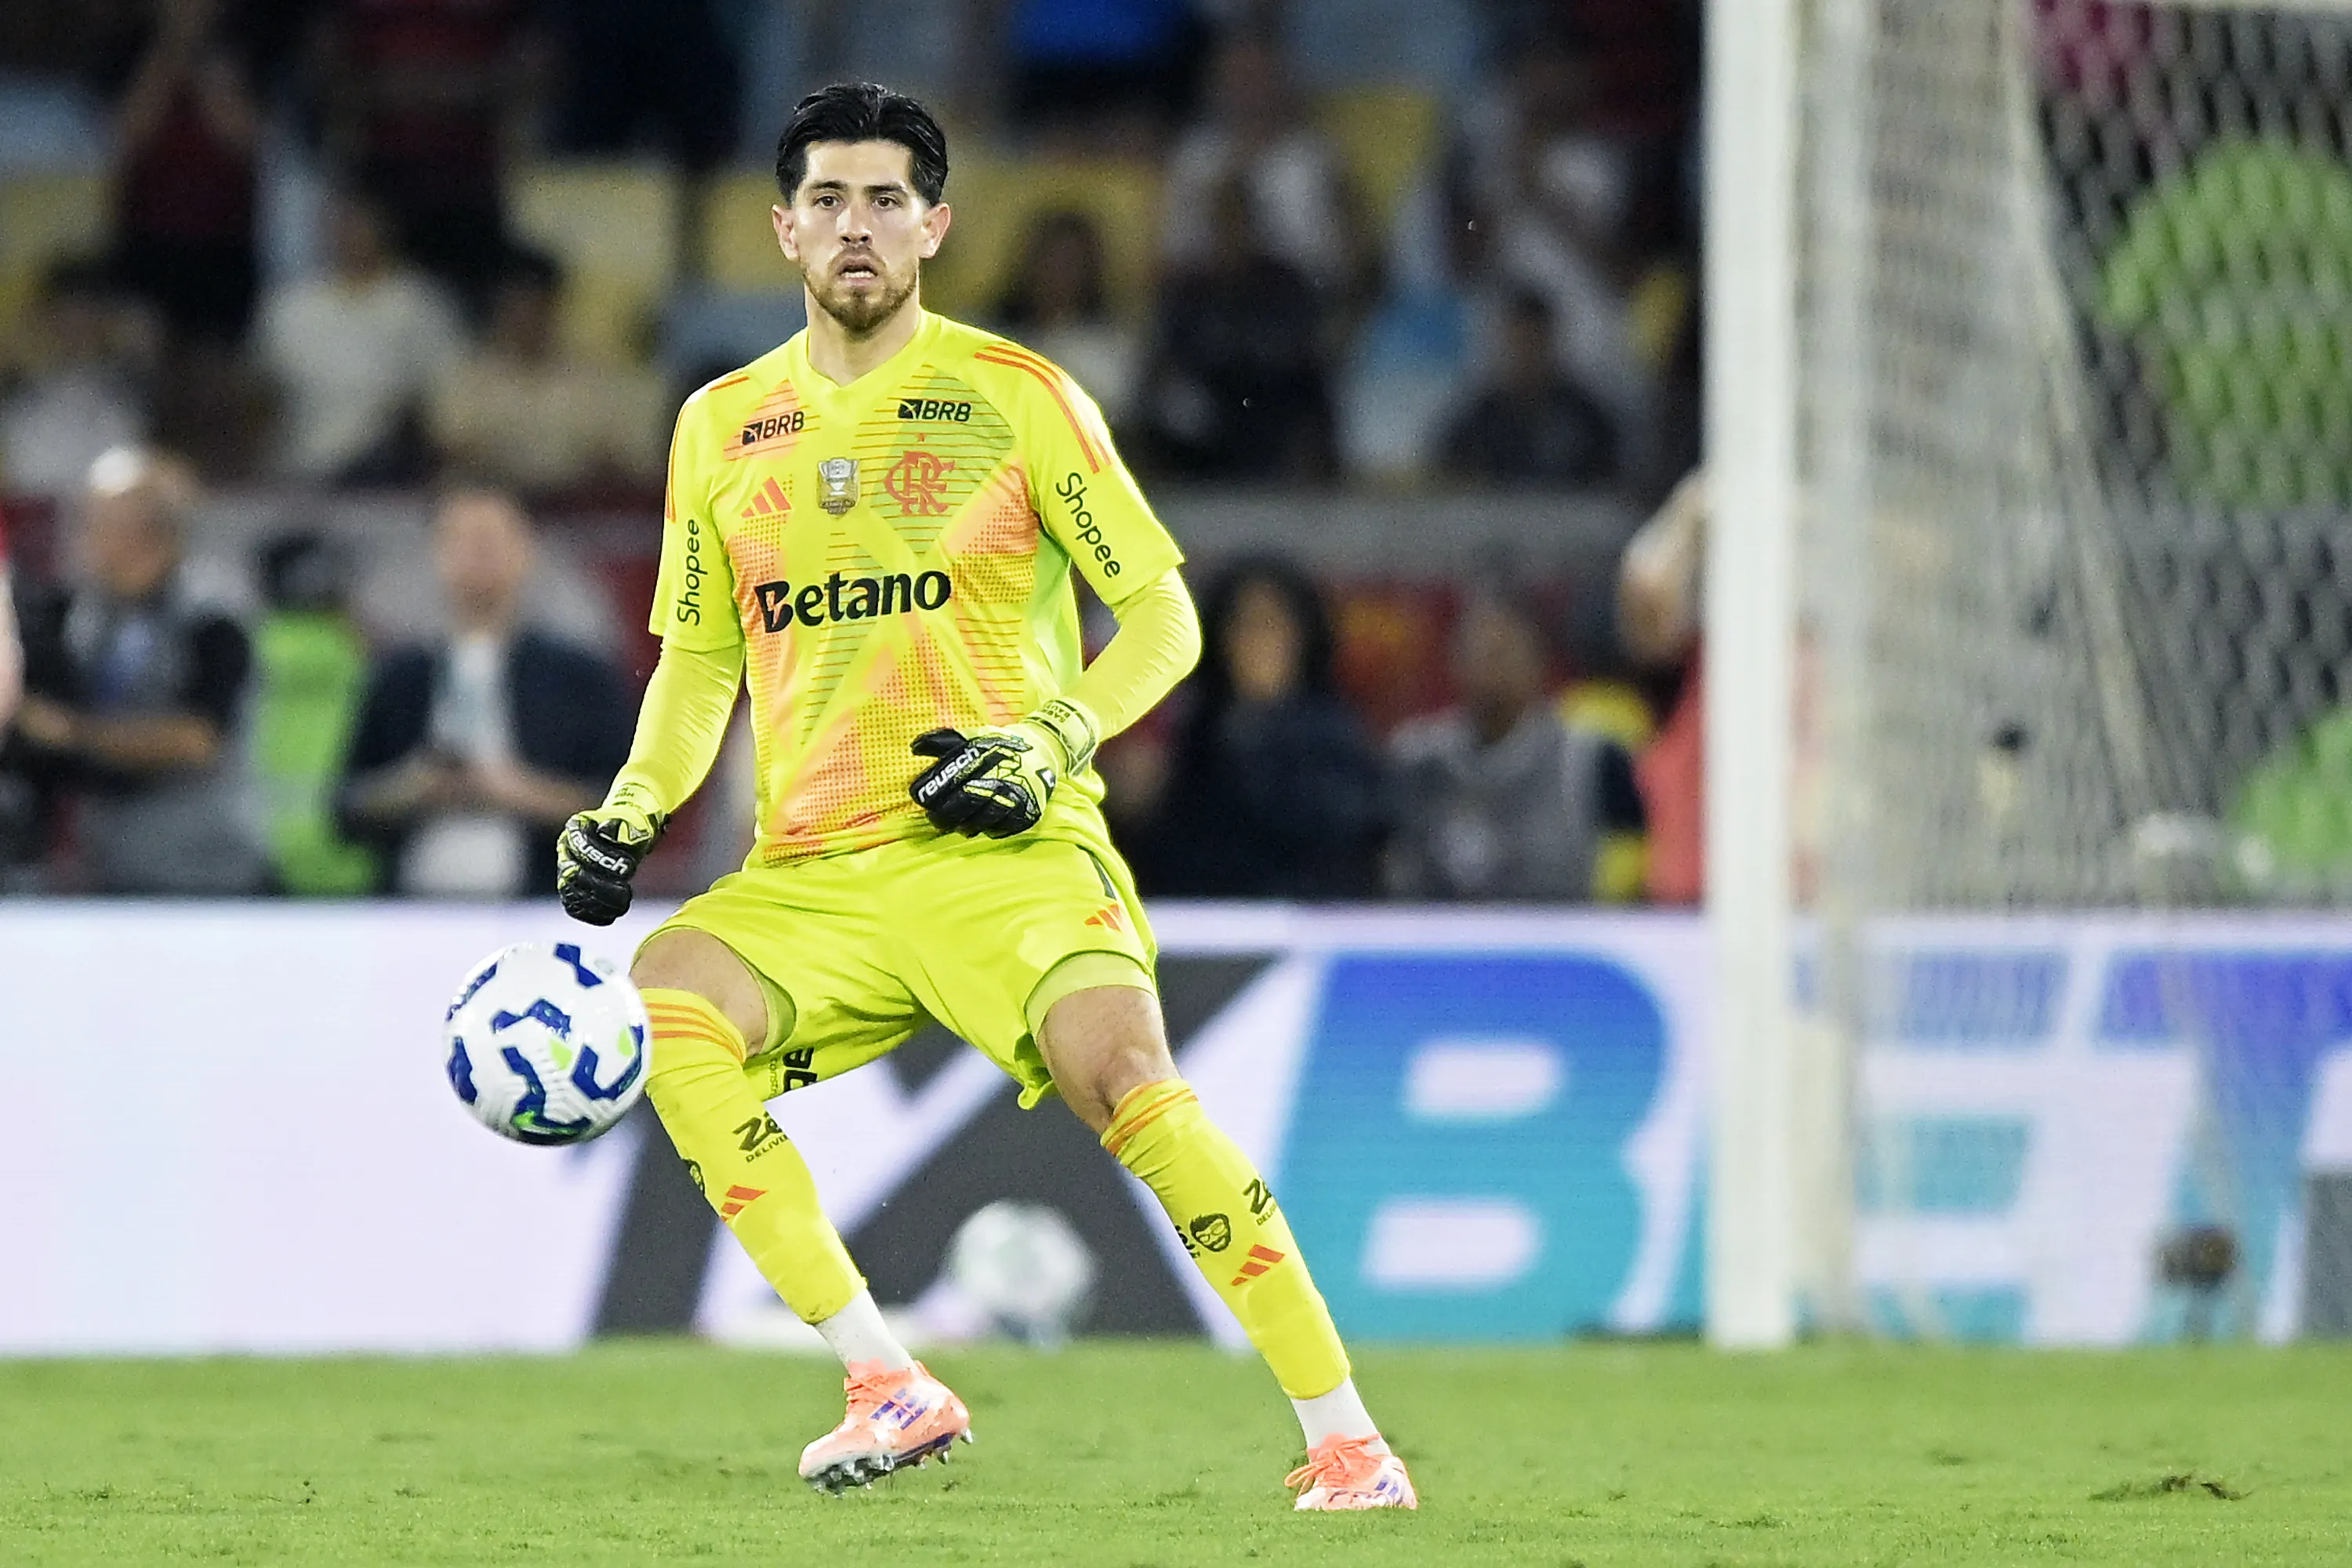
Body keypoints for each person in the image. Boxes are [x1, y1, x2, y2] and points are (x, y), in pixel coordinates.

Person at [554, 84, 1415, 1512]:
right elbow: (700, 658)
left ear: (938, 227)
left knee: (1131, 1083)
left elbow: (1163, 620)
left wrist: (1048, 739)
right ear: (781, 229)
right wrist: (631, 810)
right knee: (667, 1003)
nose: (856, 227)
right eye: (827, 200)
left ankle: (1347, 1441)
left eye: (887, 200)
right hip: (812, 874)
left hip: (998, 851)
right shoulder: (719, 426)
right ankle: (886, 1379)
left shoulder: (1014, 397)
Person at [338, 486, 630, 897]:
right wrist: (414, 790)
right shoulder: (401, 675)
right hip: (408, 911)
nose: (478, 554)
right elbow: (345, 808)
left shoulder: (579, 677)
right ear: (436, 554)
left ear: (527, 550)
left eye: (491, 539)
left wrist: (518, 792)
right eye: (461, 540)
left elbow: (626, 813)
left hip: (543, 903)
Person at [7, 448, 267, 894]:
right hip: (100, 863)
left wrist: (74, 733)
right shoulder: (78, 614)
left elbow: (198, 739)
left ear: (151, 532)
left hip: (200, 868)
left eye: (101, 521)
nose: (86, 537)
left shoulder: (212, 620)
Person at [1124, 555, 1384, 898]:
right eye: (1244, 625)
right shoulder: (1191, 739)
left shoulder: (1338, 742)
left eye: (1271, 624)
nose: (1258, 642)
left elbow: (1348, 845)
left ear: (1303, 637)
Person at [1386, 587, 1647, 902]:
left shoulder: (1589, 759)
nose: (1487, 669)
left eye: (1502, 653)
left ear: (1538, 661)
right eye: (1476, 653)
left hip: (1556, 942)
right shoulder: (1415, 760)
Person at [252, 187, 468, 485]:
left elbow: (446, 401)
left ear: (386, 228)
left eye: (361, 223)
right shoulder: (290, 306)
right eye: (342, 223)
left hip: (391, 482)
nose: (351, 234)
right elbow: (260, 397)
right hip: (299, 474)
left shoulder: (422, 306)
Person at [429, 252, 667, 498]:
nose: (527, 318)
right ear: (500, 308)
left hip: (574, 510)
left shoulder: (590, 377)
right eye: (517, 306)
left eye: (536, 305)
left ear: (554, 306)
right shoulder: (468, 378)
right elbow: (451, 448)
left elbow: (625, 457)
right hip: (494, 506)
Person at [1436, 289, 1619, 488]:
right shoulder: (1478, 422)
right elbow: (1450, 477)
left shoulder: (1586, 418)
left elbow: (1608, 485)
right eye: (1519, 342)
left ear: (1551, 342)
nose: (1527, 353)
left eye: (1535, 341)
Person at [988, 209, 1140, 429]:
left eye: (1070, 264)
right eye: (1050, 261)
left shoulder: (1110, 352)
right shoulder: (987, 334)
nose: (1057, 274)